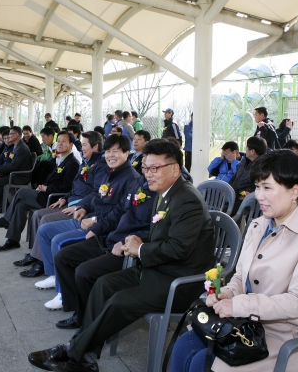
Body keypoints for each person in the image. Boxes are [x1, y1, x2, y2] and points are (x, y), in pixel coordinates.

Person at [28, 139, 215, 372]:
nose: (148, 174)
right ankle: (85, 355)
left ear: (175, 168)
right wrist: (136, 243)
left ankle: (74, 352)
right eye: (145, 168)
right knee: (102, 284)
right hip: (157, 270)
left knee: (119, 301)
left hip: (178, 282)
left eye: (155, 168)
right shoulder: (165, 192)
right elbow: (163, 235)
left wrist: (141, 249)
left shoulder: (187, 199)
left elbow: (179, 248)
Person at [170, 150, 298, 372]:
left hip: (286, 335)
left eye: (267, 187)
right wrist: (228, 293)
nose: (259, 195)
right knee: (183, 346)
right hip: (246, 324)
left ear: (295, 191)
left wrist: (238, 305)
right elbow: (240, 275)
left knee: (203, 364)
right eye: (257, 187)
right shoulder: (259, 224)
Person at [35, 135, 138, 310]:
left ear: (127, 153)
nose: (110, 155)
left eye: (115, 151)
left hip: (100, 227)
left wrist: (95, 221)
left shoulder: (131, 179)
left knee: (58, 242)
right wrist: (82, 206)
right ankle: (54, 276)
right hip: (86, 218)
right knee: (44, 230)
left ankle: (63, 294)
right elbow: (96, 195)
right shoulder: (110, 173)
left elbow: (122, 213)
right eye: (107, 151)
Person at [53, 168, 156, 330]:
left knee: (84, 272)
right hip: (110, 238)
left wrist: (124, 241)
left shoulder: (162, 192)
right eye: (144, 161)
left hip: (127, 249)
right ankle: (78, 311)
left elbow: (155, 231)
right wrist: (97, 229)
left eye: (153, 165)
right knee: (63, 257)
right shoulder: (138, 182)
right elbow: (119, 211)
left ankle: (87, 322)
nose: (146, 167)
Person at [15, 131, 105, 278]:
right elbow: (74, 187)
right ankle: (35, 255)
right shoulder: (85, 163)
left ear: (95, 147)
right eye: (81, 145)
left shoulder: (97, 167)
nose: (81, 148)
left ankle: (41, 262)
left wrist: (79, 206)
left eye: (84, 145)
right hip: (69, 201)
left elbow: (95, 193)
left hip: (80, 208)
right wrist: (64, 198)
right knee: (37, 214)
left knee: (44, 219)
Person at [0, 131, 80, 251]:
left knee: (22, 192)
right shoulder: (62, 159)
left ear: (71, 145)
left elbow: (67, 187)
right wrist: (43, 186)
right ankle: (13, 240)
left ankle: (7, 219)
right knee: (21, 205)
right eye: (58, 141)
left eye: (63, 141)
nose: (59, 144)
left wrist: (46, 188)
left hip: (53, 199)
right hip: (45, 193)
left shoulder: (72, 163)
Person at [0, 126, 34, 210]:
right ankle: (1, 205)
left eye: (11, 134)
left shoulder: (21, 148)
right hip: (14, 173)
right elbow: (10, 163)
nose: (9, 136)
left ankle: (4, 206)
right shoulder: (17, 146)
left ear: (16, 135)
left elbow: (14, 166)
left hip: (21, 176)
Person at [228, 137, 267, 215]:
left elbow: (264, 186)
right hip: (235, 194)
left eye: (246, 147)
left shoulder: (262, 167)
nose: (245, 149)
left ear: (252, 151)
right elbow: (234, 177)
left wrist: (251, 194)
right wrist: (228, 188)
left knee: (228, 211)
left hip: (247, 200)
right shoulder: (245, 162)